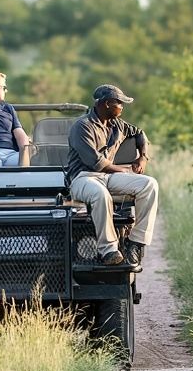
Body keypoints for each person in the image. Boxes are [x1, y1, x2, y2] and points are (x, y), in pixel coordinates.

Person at [65, 84, 157, 267]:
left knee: (149, 184)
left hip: (107, 178)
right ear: (107, 104)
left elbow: (140, 134)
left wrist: (143, 157)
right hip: (83, 178)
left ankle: (136, 243)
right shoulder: (82, 126)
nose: (122, 107)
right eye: (119, 103)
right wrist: (123, 170)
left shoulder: (117, 124)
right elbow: (96, 162)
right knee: (100, 194)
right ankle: (109, 250)